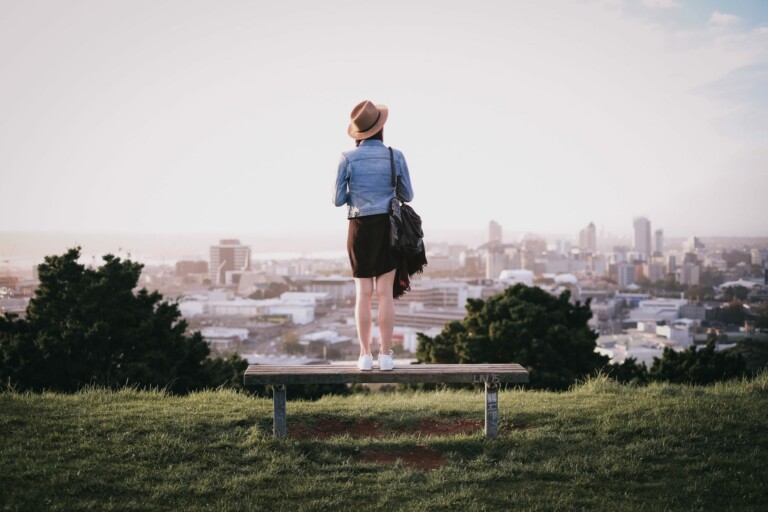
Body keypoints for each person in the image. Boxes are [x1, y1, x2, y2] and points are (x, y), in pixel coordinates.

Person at [333, 100, 415, 371]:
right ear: (380, 128)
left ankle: (365, 355)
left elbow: (337, 199)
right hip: (386, 227)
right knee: (384, 294)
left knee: (363, 294)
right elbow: (407, 195)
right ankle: (387, 355)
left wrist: (356, 192)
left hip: (358, 228)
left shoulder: (346, 158)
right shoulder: (396, 155)